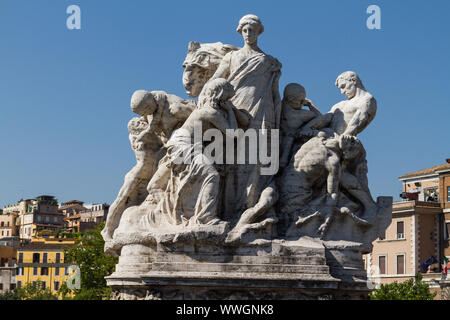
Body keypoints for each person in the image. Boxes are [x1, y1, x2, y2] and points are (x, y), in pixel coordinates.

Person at [141, 78, 250, 228]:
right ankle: (206, 217)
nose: (230, 98)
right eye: (228, 93)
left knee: (162, 182)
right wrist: (231, 110)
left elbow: (246, 122)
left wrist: (232, 109)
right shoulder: (209, 112)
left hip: (182, 143)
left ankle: (180, 212)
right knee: (211, 175)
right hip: (184, 145)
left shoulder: (214, 111)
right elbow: (233, 133)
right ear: (221, 95)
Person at [210, 14, 282, 217]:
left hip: (263, 111)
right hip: (235, 109)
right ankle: (227, 212)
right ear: (240, 32)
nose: (249, 34)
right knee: (232, 161)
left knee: (258, 164)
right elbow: (214, 83)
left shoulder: (270, 62)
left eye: (252, 30)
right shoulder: (231, 57)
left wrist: (277, 121)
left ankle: (251, 212)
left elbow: (275, 94)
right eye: (245, 30)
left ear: (259, 31)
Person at [279, 83, 322, 168]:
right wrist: (310, 105)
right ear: (291, 99)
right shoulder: (298, 114)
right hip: (288, 142)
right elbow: (320, 117)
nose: (303, 103)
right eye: (301, 101)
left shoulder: (278, 107)